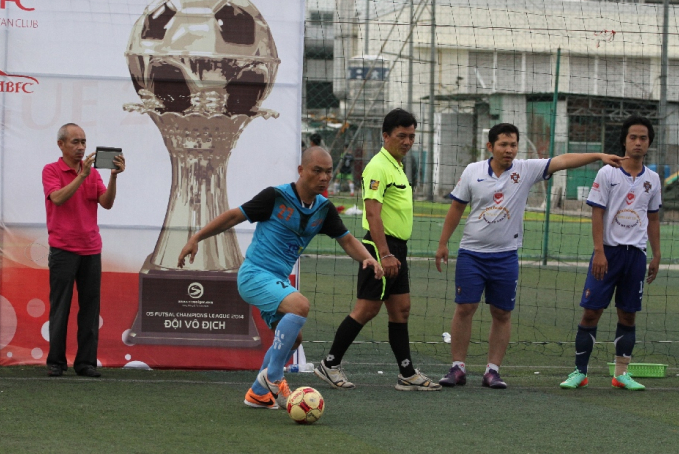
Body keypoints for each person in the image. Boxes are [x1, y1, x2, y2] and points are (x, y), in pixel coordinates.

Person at [177, 146, 383, 409]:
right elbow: (233, 216)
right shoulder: (275, 197)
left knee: (293, 340)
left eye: (328, 172)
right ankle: (273, 376)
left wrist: (366, 257)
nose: (323, 177)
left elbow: (347, 239)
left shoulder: (323, 209)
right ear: (301, 170)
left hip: (278, 282)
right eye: (317, 171)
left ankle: (258, 393)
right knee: (301, 306)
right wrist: (196, 237)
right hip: (254, 274)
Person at [435, 122, 625, 389]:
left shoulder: (525, 170)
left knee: (501, 312)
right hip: (471, 254)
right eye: (503, 144)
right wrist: (443, 243)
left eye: (513, 144)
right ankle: (458, 368)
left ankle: (492, 371)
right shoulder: (472, 171)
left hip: (505, 256)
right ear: (490, 146)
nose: (509, 150)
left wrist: (599, 156)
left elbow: (562, 161)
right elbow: (456, 208)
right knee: (465, 308)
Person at [315, 108, 441, 391]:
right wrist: (383, 254)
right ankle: (330, 364)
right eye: (401, 136)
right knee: (367, 309)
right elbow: (373, 215)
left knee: (402, 310)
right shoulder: (377, 166)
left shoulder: (397, 165)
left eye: (411, 136)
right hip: (379, 247)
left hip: (398, 249)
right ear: (386, 136)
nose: (407, 141)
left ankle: (406, 373)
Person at [559, 116, 661, 391]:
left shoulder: (652, 179)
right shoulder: (607, 173)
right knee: (591, 313)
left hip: (635, 257)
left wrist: (656, 254)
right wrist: (599, 252)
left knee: (628, 315)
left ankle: (621, 374)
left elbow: (653, 219)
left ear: (649, 142)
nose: (638, 142)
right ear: (624, 140)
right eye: (633, 137)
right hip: (608, 254)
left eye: (643, 138)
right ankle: (579, 372)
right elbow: (597, 214)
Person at [42, 123, 125, 378]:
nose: (81, 147)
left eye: (84, 142)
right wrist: (80, 175)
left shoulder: (93, 174)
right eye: (75, 142)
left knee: (90, 308)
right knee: (61, 307)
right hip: (63, 249)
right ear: (61, 145)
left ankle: (86, 362)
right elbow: (57, 198)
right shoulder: (51, 170)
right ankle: (56, 362)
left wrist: (113, 176)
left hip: (90, 248)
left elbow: (107, 203)